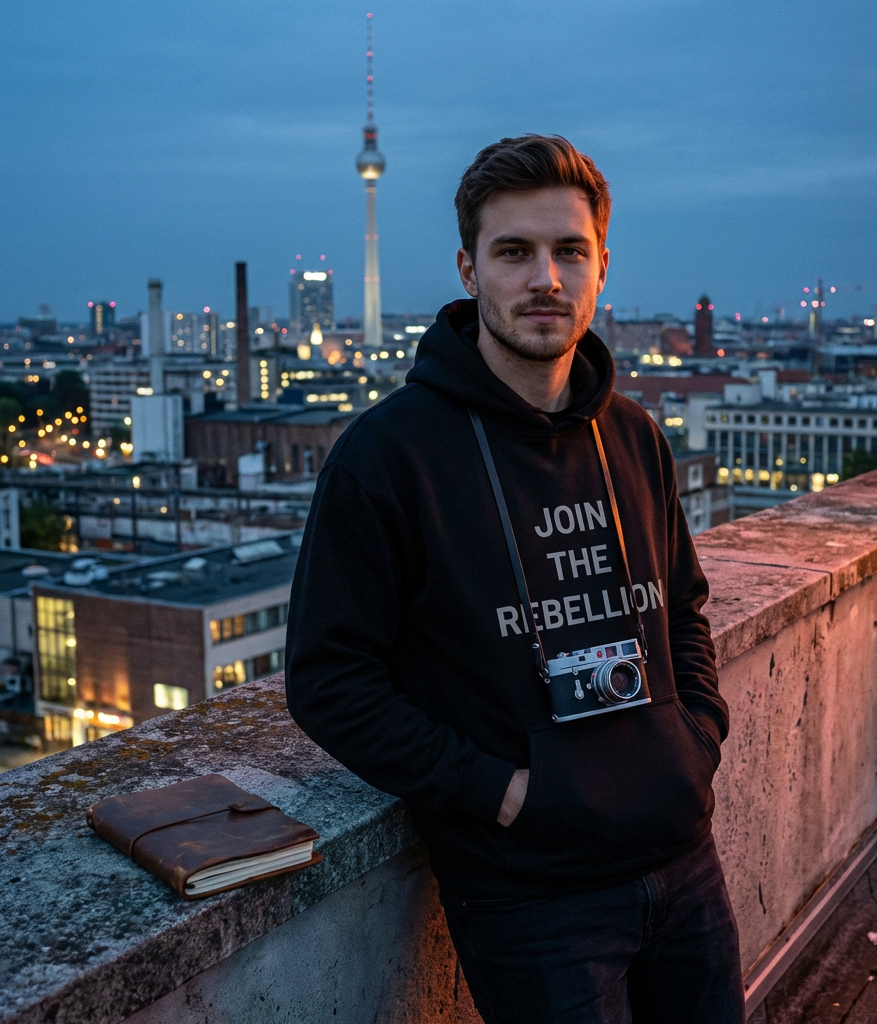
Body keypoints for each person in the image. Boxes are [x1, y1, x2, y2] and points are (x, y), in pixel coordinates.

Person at [286, 134, 743, 1024]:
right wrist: (499, 792)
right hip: (532, 899)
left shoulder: (637, 436)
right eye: (514, 252)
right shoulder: (387, 458)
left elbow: (681, 605)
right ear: (469, 270)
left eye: (569, 250)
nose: (546, 277)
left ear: (602, 265)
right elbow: (329, 681)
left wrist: (696, 738)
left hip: (683, 857)